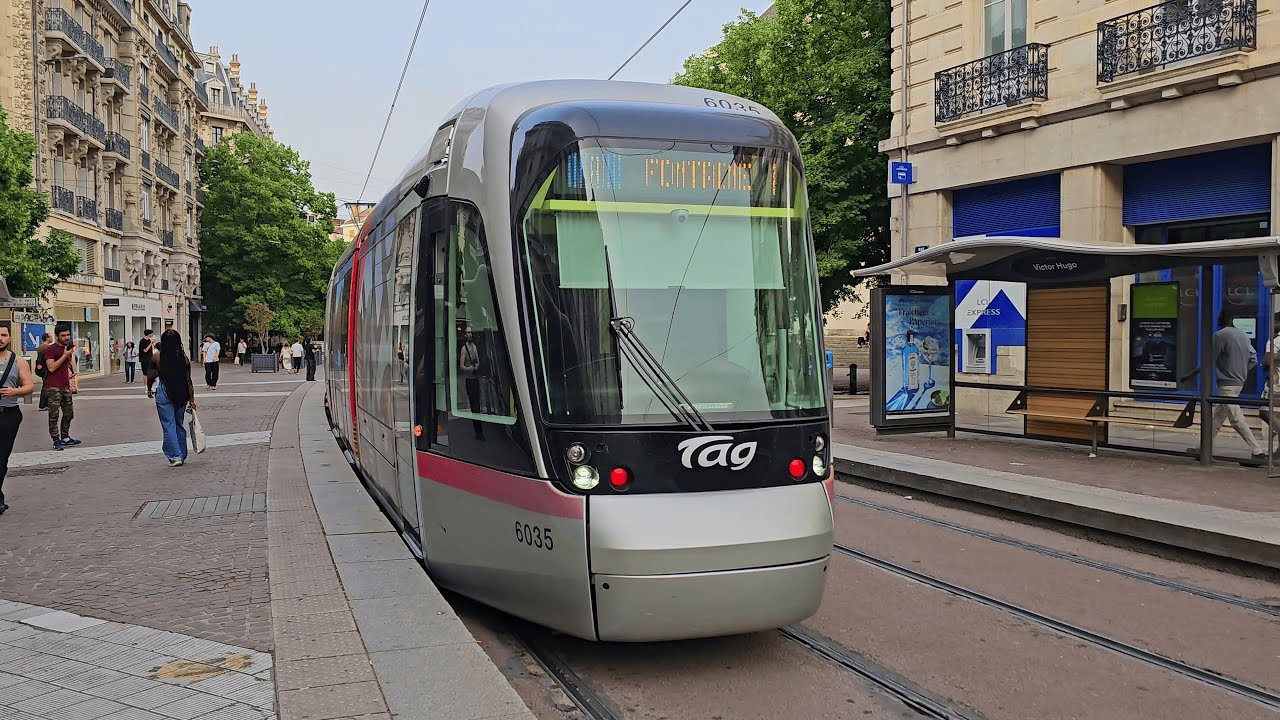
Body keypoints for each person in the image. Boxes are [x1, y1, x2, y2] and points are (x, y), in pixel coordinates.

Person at [1193, 312, 1266, 460]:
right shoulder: (1244, 335)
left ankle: (1257, 450)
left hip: (1226, 384)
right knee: (1217, 417)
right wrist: (1242, 371)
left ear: (1221, 320)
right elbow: (1253, 358)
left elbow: (1210, 359)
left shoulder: (1220, 335)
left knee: (1236, 418)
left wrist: (1191, 374)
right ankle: (1202, 447)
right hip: (1239, 382)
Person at [1, 322, 37, 514]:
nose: (0, 338)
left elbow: (29, 386)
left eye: (3, 335)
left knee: (1, 458)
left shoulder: (18, 361)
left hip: (8, 414)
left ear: (9, 337)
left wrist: (15, 391)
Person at [147, 329, 197, 466]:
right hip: (181, 391)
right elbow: (188, 379)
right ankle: (182, 453)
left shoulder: (157, 356)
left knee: (168, 424)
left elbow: (151, 374)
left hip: (164, 390)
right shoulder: (183, 357)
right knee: (178, 424)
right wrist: (191, 398)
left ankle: (175, 456)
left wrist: (149, 389)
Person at [43, 324, 80, 451]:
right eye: (63, 335)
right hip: (53, 386)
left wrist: (73, 369)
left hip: (65, 385)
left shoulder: (68, 348)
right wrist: (64, 355)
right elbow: (51, 367)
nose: (66, 337)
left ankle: (65, 437)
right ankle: (56, 440)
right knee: (54, 415)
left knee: (69, 413)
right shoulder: (51, 349)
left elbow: (69, 361)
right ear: (57, 336)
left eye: (68, 335)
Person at [459, 329, 484, 439]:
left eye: (471, 333)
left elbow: (478, 361)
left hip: (475, 379)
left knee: (477, 404)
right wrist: (471, 368)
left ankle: (479, 431)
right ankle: (477, 431)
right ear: (465, 335)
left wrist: (477, 367)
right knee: (473, 405)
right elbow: (461, 366)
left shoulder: (474, 347)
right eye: (468, 333)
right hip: (469, 379)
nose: (470, 334)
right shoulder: (464, 349)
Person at [33, 333, 51, 411]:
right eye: (51, 337)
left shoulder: (41, 346)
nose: (52, 338)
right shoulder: (46, 347)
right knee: (46, 387)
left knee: (46, 386)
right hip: (45, 369)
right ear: (47, 338)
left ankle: (44, 404)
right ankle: (44, 404)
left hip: (43, 369)